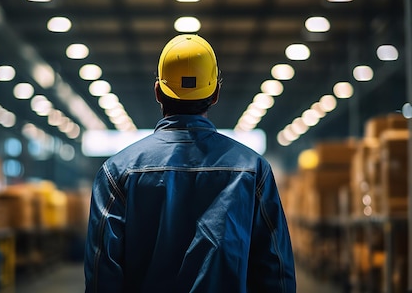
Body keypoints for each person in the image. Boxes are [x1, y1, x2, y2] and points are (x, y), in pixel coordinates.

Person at [84, 34, 296, 292]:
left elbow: (101, 276)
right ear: (216, 93)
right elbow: (276, 271)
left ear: (158, 92)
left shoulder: (117, 173)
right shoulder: (252, 170)